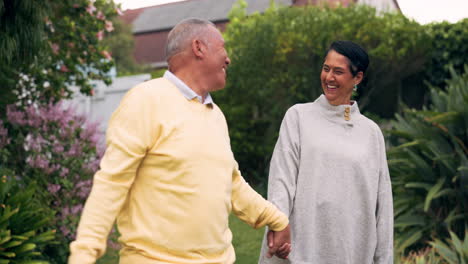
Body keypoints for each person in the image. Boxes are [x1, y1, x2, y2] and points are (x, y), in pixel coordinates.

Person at [68, 18, 291, 264]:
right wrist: (83, 255)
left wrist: (276, 219)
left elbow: (231, 183)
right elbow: (112, 183)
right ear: (199, 47)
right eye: (222, 48)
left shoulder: (215, 115)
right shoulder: (146, 100)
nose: (227, 59)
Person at [258, 41, 393, 264]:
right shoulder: (298, 117)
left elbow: (383, 203)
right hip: (299, 249)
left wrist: (384, 259)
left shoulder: (371, 133)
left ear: (357, 78)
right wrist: (278, 224)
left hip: (352, 251)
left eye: (338, 71)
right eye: (326, 68)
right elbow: (281, 180)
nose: (329, 77)